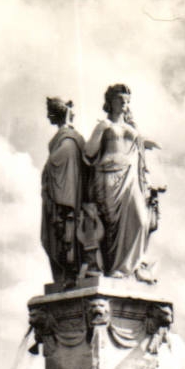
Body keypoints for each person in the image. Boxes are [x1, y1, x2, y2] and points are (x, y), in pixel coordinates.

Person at [82, 83, 159, 281]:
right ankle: (113, 269)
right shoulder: (104, 125)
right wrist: (100, 133)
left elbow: (140, 155)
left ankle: (127, 267)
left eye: (127, 101)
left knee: (140, 220)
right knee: (111, 226)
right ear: (110, 102)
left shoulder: (131, 128)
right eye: (120, 100)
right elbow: (89, 151)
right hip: (108, 176)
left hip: (130, 178)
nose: (124, 104)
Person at [40, 97, 86, 288]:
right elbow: (55, 163)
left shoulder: (69, 140)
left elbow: (56, 163)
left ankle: (71, 272)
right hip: (61, 196)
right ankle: (67, 273)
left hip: (69, 196)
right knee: (61, 234)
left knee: (67, 232)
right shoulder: (70, 139)